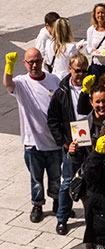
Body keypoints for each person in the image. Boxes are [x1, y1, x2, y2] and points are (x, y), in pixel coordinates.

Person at [2, 48, 62, 223]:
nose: (34, 65)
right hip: (32, 142)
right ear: (25, 64)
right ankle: (37, 205)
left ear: (42, 60)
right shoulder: (21, 82)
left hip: (53, 142)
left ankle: (58, 202)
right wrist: (8, 67)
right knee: (36, 179)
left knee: (55, 177)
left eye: (37, 61)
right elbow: (8, 84)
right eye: (30, 62)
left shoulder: (53, 79)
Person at [47, 52, 89, 235]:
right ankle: (62, 218)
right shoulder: (62, 92)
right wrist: (64, 143)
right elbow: (53, 120)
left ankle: (93, 218)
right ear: (70, 69)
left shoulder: (91, 87)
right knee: (67, 183)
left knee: (93, 182)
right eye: (78, 71)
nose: (81, 74)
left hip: (92, 144)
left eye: (84, 71)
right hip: (72, 144)